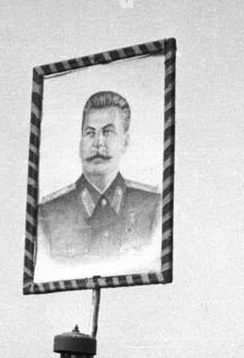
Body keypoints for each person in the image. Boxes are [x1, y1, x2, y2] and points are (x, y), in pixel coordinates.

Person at [37, 90, 160, 264]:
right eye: (90, 133)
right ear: (80, 143)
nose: (98, 143)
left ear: (125, 142)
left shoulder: (152, 207)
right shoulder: (49, 213)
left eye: (108, 132)